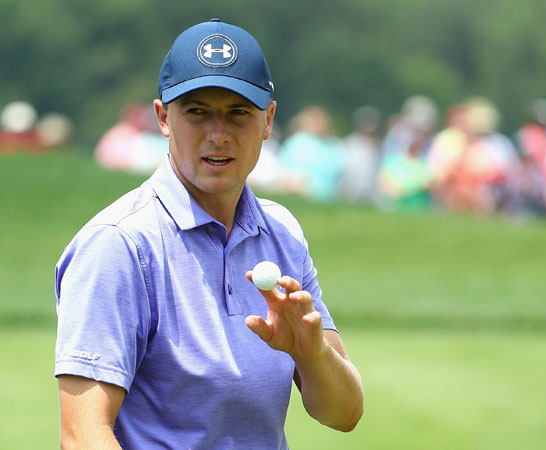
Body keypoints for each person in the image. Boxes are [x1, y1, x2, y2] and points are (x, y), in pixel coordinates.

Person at [54, 19, 363, 449]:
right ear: (163, 117)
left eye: (239, 113)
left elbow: (344, 413)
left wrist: (313, 355)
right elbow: (83, 434)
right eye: (197, 112)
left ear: (268, 120)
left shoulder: (282, 232)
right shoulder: (118, 244)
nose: (218, 135)